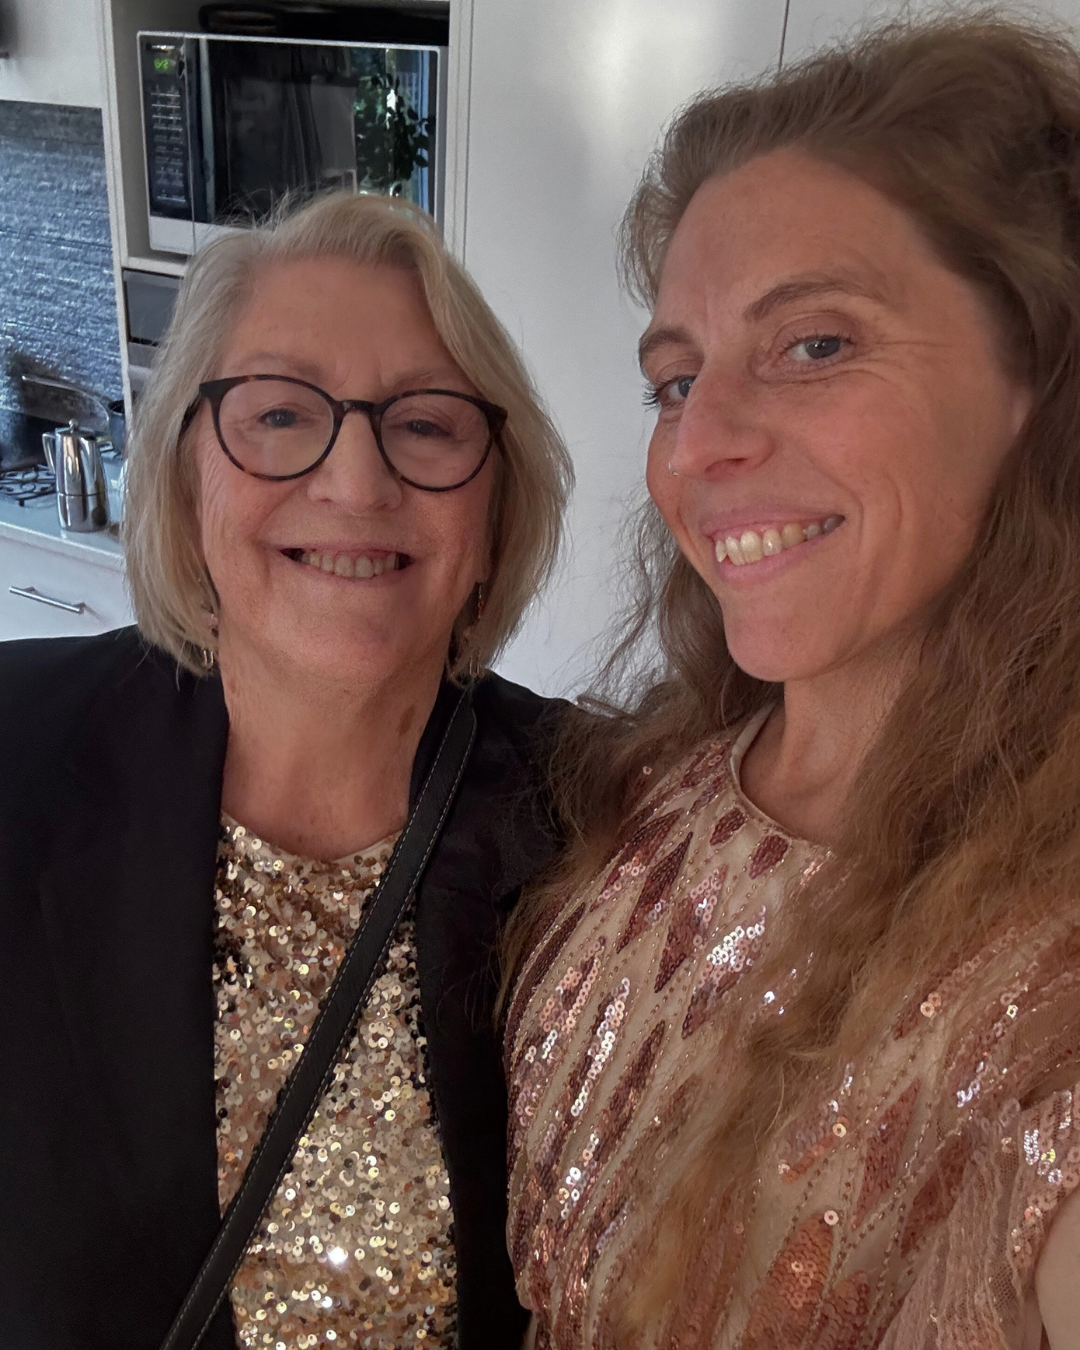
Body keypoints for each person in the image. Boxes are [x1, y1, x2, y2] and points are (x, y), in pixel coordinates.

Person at [503, 16, 1080, 1349]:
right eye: (675, 378)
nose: (697, 445)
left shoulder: (1044, 968)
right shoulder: (650, 789)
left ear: (1041, 378)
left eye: (815, 345)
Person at [0, 192, 571, 1350]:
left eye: (424, 424)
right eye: (277, 413)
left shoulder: (605, 827)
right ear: (181, 478)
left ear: (497, 503)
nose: (357, 485)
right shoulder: (15, 755)